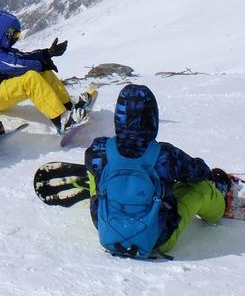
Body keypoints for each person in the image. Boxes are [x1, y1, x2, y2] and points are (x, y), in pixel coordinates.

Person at [85, 84, 230, 258]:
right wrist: (205, 174)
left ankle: (113, 194)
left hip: (107, 230)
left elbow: (92, 163)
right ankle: (218, 201)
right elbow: (197, 172)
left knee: (95, 172)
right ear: (152, 118)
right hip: (157, 238)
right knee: (200, 189)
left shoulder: (98, 149)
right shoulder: (164, 156)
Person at [0, 9, 84, 132]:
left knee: (44, 71)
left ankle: (68, 106)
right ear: (4, 33)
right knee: (31, 78)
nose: (16, 38)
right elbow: (13, 64)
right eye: (15, 34)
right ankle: (61, 120)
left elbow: (22, 56)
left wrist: (47, 53)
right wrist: (40, 65)